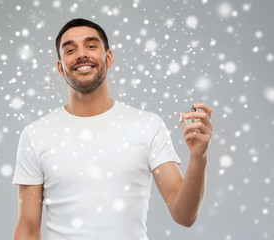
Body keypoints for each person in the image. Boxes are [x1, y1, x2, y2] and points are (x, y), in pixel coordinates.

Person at [12, 18, 213, 240]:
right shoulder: (36, 134)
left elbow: (184, 215)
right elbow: (28, 229)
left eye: (91, 46)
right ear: (60, 67)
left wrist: (198, 157)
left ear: (108, 58)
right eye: (70, 50)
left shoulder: (147, 126)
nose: (81, 54)